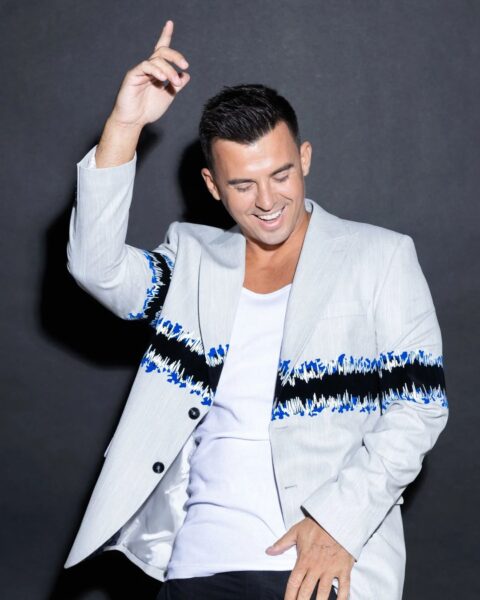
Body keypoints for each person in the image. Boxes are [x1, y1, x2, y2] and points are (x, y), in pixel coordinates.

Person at [63, 19, 449, 600]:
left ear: (305, 158)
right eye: (243, 185)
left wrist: (337, 523)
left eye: (281, 174)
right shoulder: (191, 261)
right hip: (198, 565)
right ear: (212, 185)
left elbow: (418, 407)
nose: (268, 202)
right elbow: (98, 269)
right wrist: (125, 125)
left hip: (323, 566)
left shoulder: (379, 257)